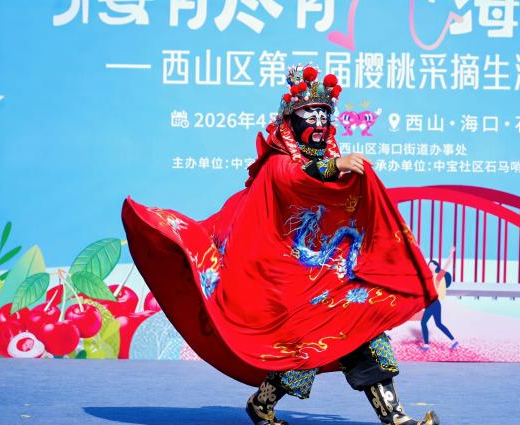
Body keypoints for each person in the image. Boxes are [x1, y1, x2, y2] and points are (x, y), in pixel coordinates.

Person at [121, 64, 440, 425]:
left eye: (324, 116)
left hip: (328, 279)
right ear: (290, 121)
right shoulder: (278, 163)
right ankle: (262, 405)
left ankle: (395, 418)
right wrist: (335, 165)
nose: (318, 123)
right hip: (285, 283)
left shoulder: (327, 164)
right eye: (310, 115)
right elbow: (296, 178)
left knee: (366, 335)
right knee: (301, 352)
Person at [420, 247, 458, 351]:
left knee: (424, 322)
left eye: (432, 264)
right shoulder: (428, 278)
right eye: (429, 264)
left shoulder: (438, 277)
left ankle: (426, 345)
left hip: (434, 303)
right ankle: (454, 340)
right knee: (438, 324)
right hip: (433, 303)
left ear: (436, 266)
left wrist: (451, 253)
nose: (430, 266)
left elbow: (446, 266)